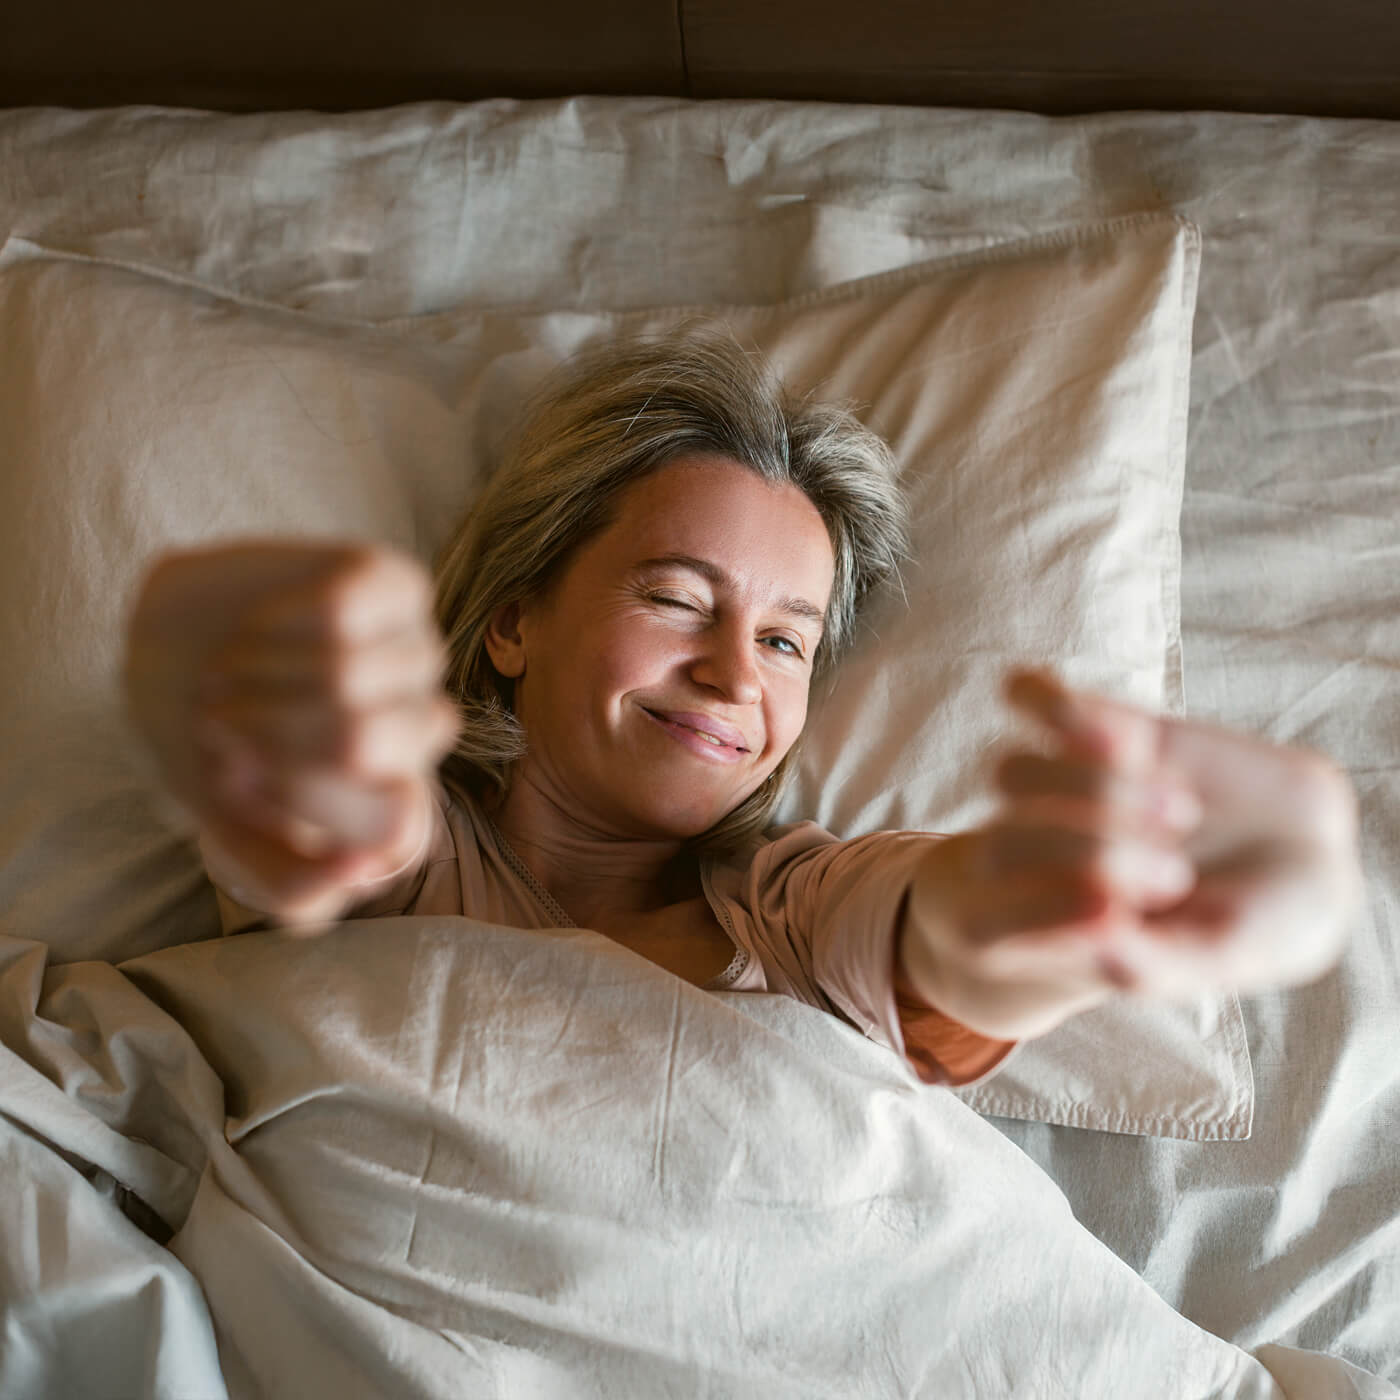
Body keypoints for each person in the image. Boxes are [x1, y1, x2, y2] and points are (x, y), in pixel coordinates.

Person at [122, 329, 1364, 1088]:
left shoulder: (785, 909)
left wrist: (1093, 892)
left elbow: (949, 931)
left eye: (783, 640)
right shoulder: (417, 864)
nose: (733, 674)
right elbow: (339, 814)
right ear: (512, 621)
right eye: (674, 598)